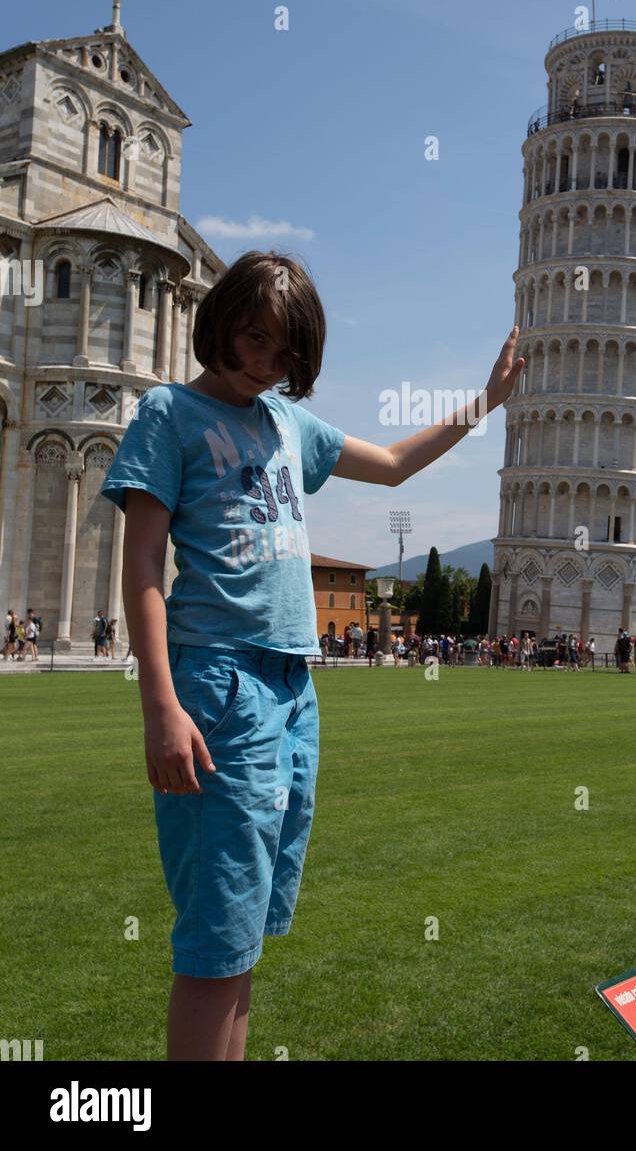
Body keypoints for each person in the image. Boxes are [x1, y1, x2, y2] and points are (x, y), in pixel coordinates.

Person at [98, 250, 525, 1059]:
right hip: (218, 682)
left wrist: (487, 402)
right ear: (218, 320)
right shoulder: (168, 414)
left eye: (286, 352)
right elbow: (143, 564)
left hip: (294, 690)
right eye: (254, 339)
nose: (267, 363)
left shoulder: (288, 424)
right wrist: (161, 705)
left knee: (248, 933)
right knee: (216, 938)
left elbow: (394, 466)